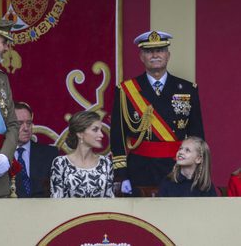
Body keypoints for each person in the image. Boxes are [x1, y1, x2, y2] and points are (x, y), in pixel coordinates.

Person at [110, 30, 204, 196]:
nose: (154, 55)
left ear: (168, 55)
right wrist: (122, 174)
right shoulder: (126, 90)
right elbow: (118, 136)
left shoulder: (188, 89)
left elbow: (197, 135)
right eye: (148, 51)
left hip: (177, 168)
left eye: (160, 50)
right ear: (141, 57)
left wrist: (196, 170)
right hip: (139, 170)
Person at [50, 111, 114, 198]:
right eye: (95, 130)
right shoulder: (61, 163)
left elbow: (110, 201)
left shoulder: (105, 163)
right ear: (80, 133)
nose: (102, 135)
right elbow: (56, 201)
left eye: (101, 130)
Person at [0, 18, 19, 197]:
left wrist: (4, 157)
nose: (7, 48)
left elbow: (12, 124)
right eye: (4, 42)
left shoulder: (1, 79)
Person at [14, 102, 59, 197]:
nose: (26, 128)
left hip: (44, 210)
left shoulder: (50, 154)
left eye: (29, 123)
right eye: (20, 123)